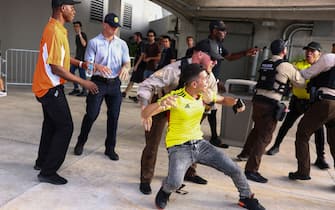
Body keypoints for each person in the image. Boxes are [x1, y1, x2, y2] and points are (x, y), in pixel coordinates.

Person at [141, 63, 265, 210]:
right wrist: (158, 105)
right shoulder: (175, 98)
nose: (208, 82)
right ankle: (165, 191)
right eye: (205, 79)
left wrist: (236, 102)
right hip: (179, 148)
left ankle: (246, 197)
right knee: (174, 183)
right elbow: (145, 113)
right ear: (194, 84)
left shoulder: (203, 95)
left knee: (235, 169)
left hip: (200, 144)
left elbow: (224, 100)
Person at [137, 39, 221, 195]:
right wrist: (145, 108)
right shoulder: (174, 69)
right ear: (200, 54)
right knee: (152, 143)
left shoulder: (208, 76)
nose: (216, 62)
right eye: (213, 58)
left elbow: (213, 99)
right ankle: (146, 179)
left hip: (187, 110)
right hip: (163, 105)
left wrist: (204, 110)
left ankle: (189, 172)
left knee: (191, 142)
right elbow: (146, 85)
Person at [32, 0, 98, 185]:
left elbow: (62, 57)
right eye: (72, 7)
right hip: (49, 87)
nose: (74, 11)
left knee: (51, 125)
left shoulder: (58, 29)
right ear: (63, 8)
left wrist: (81, 64)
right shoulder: (54, 31)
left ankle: (41, 162)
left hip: (47, 86)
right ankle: (48, 171)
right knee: (66, 127)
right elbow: (56, 67)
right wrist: (83, 81)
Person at [240, 39, 306, 183]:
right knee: (265, 137)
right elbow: (300, 83)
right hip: (270, 105)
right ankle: (251, 170)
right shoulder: (286, 66)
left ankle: (244, 153)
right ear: (284, 50)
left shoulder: (266, 62)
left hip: (257, 101)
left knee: (257, 129)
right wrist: (301, 72)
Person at [73, 13, 131, 161]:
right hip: (98, 82)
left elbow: (127, 62)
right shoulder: (94, 43)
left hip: (114, 84)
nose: (114, 30)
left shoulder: (122, 44)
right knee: (91, 114)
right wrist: (98, 66)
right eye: (112, 26)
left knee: (114, 117)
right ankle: (81, 142)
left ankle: (110, 148)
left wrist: (126, 67)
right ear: (104, 25)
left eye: (116, 27)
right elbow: (88, 66)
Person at [266, 42, 329, 170]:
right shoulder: (298, 63)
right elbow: (292, 75)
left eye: (312, 51)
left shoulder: (323, 67)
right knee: (286, 124)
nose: (309, 53)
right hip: (297, 101)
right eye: (307, 50)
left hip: (314, 103)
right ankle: (276, 146)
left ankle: (320, 158)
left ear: (319, 54)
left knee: (319, 130)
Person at [207, 20, 260, 148]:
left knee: (210, 109)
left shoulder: (218, 45)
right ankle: (206, 137)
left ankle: (212, 137)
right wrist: (212, 81)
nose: (225, 33)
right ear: (214, 31)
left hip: (212, 82)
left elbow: (229, 56)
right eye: (222, 30)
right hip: (204, 83)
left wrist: (245, 53)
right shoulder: (206, 45)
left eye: (225, 30)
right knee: (207, 109)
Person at [288, 52, 335, 181]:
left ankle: (303, 171)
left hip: (326, 102)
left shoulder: (329, 58)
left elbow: (307, 74)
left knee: (302, 134)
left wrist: (295, 69)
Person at [122, 32, 146, 103]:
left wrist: (136, 65)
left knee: (141, 82)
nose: (134, 38)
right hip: (138, 66)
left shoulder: (142, 44)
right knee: (132, 79)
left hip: (141, 66)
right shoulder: (138, 44)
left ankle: (139, 96)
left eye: (135, 36)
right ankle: (125, 93)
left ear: (138, 36)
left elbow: (142, 55)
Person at [68, 21, 88, 97]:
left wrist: (79, 34)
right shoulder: (76, 37)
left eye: (77, 26)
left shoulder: (83, 35)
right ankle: (76, 88)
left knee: (82, 75)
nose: (75, 28)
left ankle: (85, 90)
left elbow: (84, 44)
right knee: (71, 71)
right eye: (75, 26)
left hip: (82, 59)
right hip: (77, 58)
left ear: (80, 27)